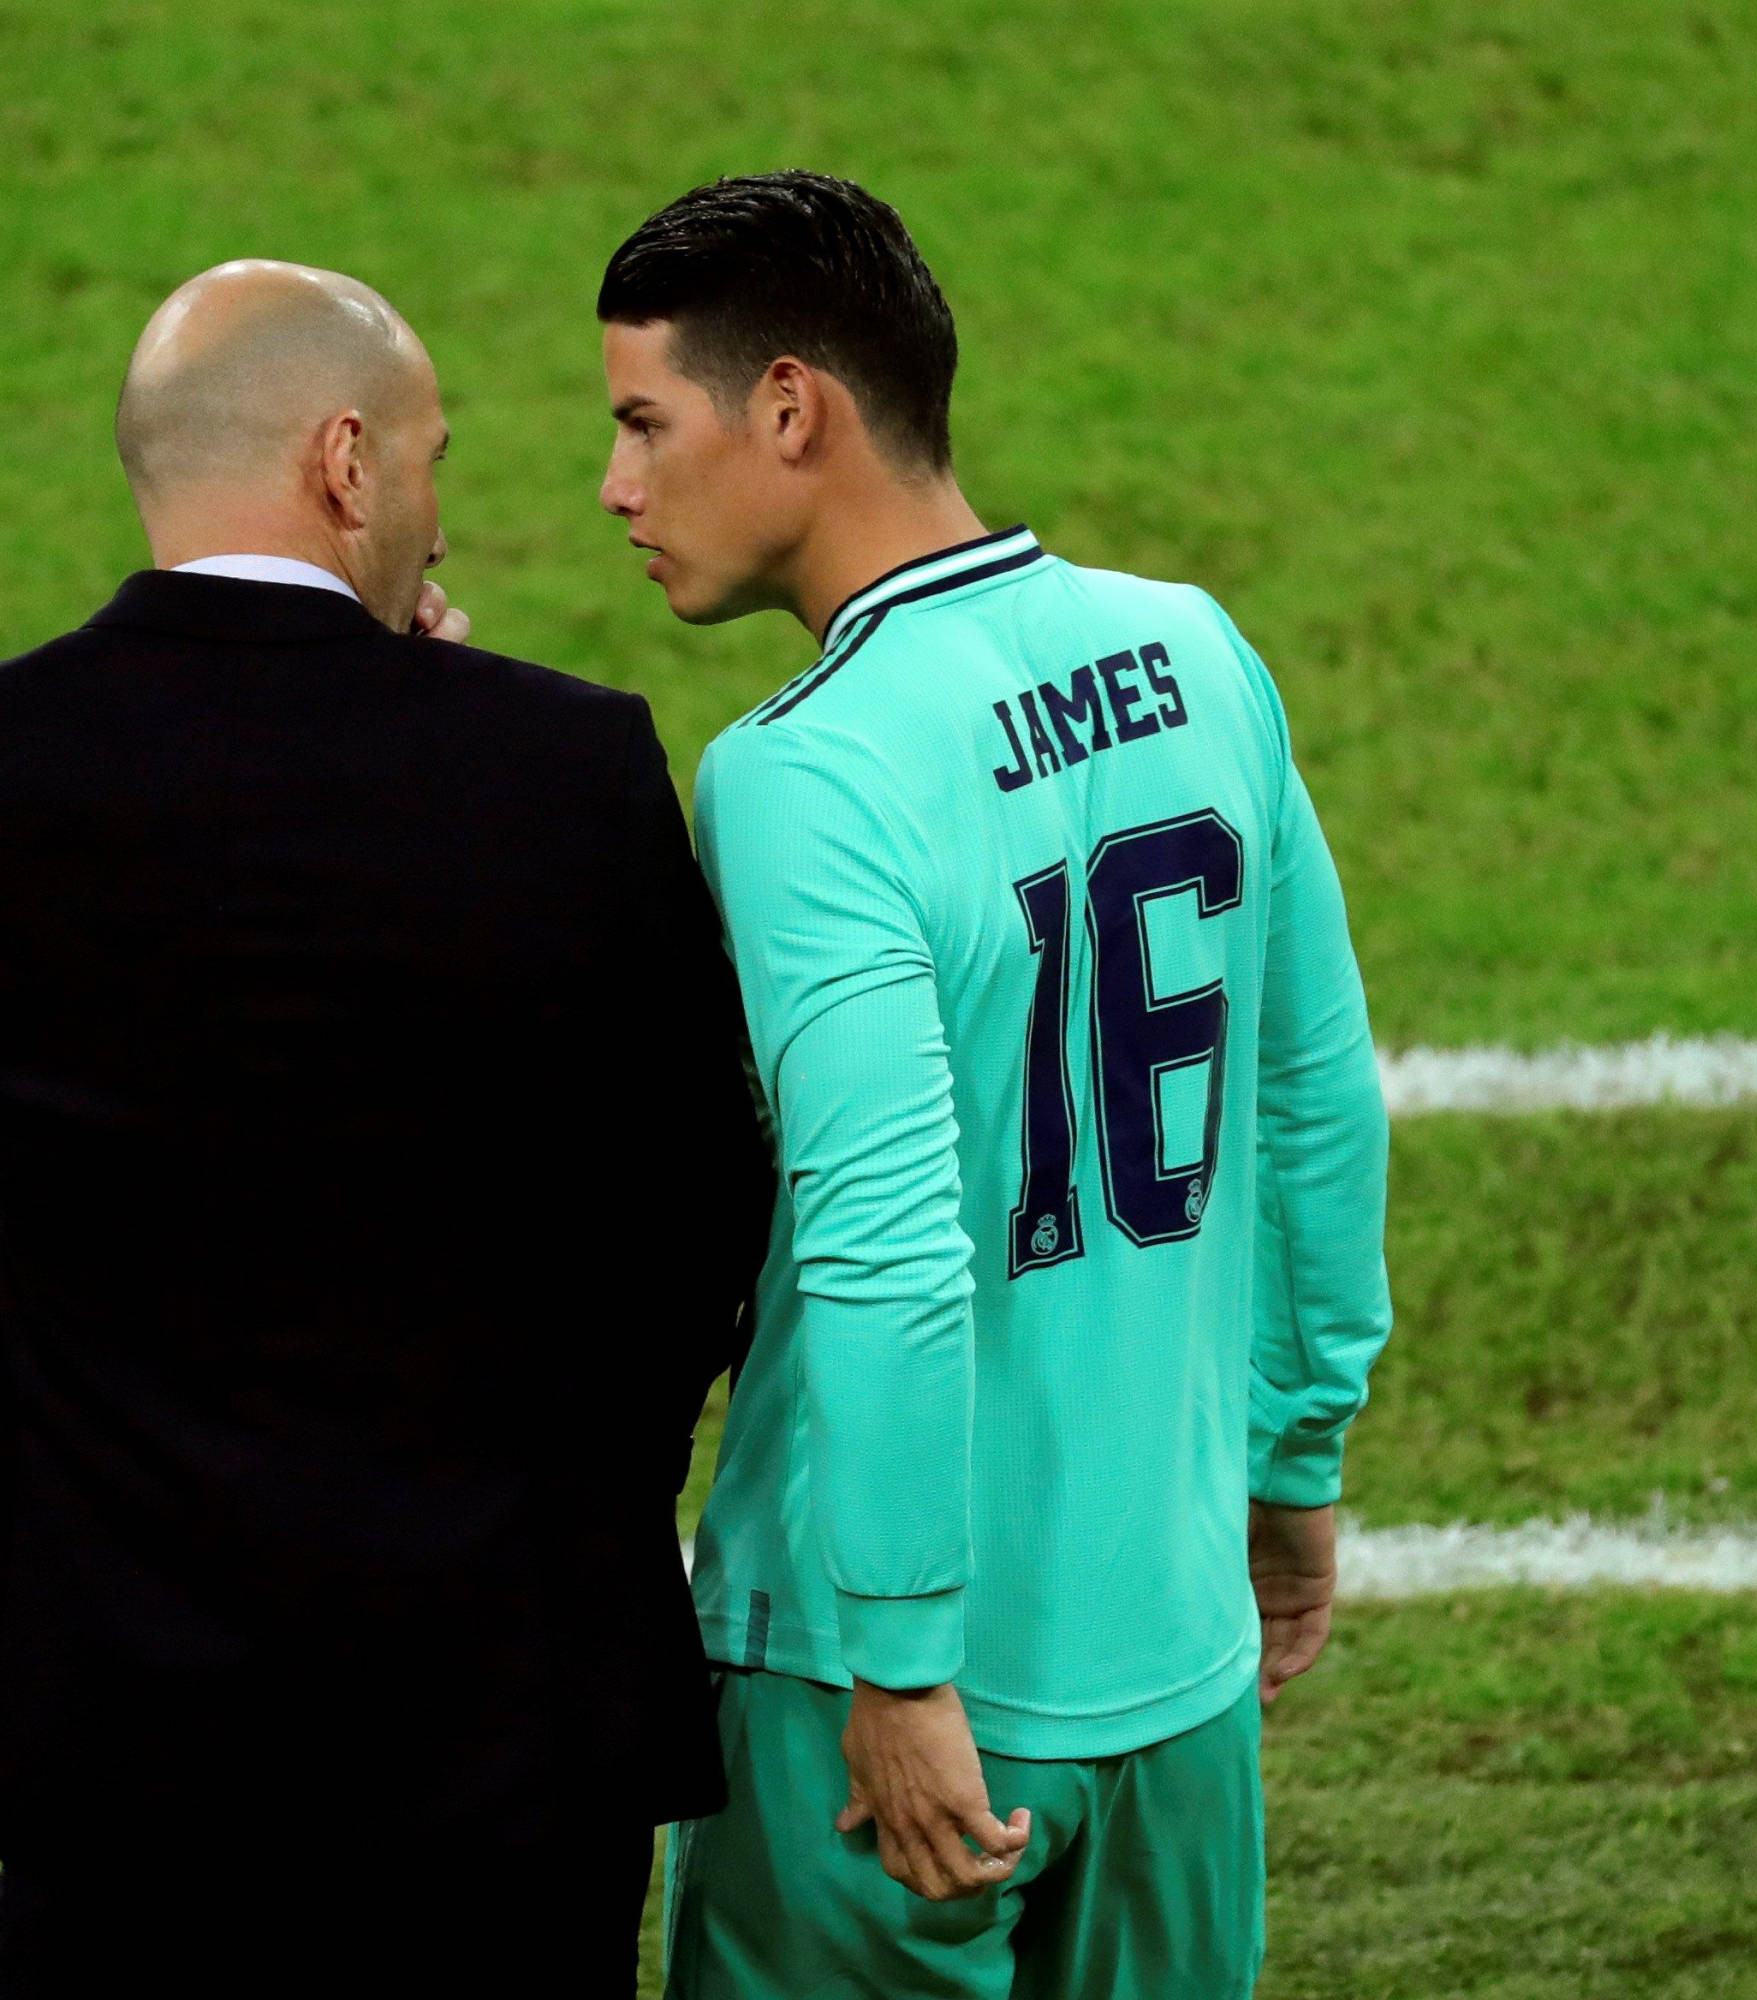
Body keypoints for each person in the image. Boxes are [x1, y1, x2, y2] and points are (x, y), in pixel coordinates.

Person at [0, 259, 768, 1995]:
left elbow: (2, 1088)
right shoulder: (561, 765)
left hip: (107, 1681)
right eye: (432, 462)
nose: (438, 517)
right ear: (346, 463)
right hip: (496, 1688)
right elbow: (701, 1194)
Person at [594, 174, 1393, 1997]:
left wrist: (897, 1660)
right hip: (1178, 1672)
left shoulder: (807, 771)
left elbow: (886, 1249)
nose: (618, 489)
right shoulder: (1198, 647)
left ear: (791, 409)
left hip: (886, 1720)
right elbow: (1316, 1099)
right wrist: (1295, 1459)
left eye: (645, 422)